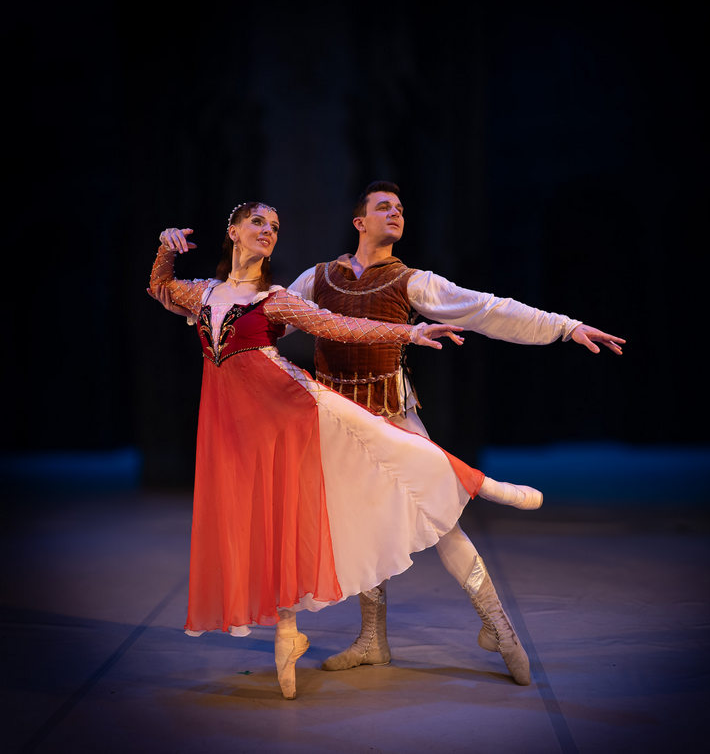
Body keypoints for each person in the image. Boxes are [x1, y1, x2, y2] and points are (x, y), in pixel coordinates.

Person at [148, 201, 545, 700]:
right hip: (258, 423)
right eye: (258, 222)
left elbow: (343, 325)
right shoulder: (219, 292)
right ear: (233, 230)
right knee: (303, 518)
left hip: (325, 404)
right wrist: (165, 245)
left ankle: (484, 493)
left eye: (275, 226)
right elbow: (162, 287)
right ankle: (328, 636)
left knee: (405, 462)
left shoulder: (286, 298)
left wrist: (412, 331)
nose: (268, 231)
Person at [283, 181, 625, 686]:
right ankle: (373, 639)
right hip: (339, 423)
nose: (396, 213)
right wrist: (212, 314)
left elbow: (487, 309)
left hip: (393, 416)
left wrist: (565, 326)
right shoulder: (317, 279)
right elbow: (266, 321)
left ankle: (497, 624)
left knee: (442, 516)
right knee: (361, 525)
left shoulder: (411, 282)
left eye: (401, 208)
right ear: (359, 222)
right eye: (384, 207)